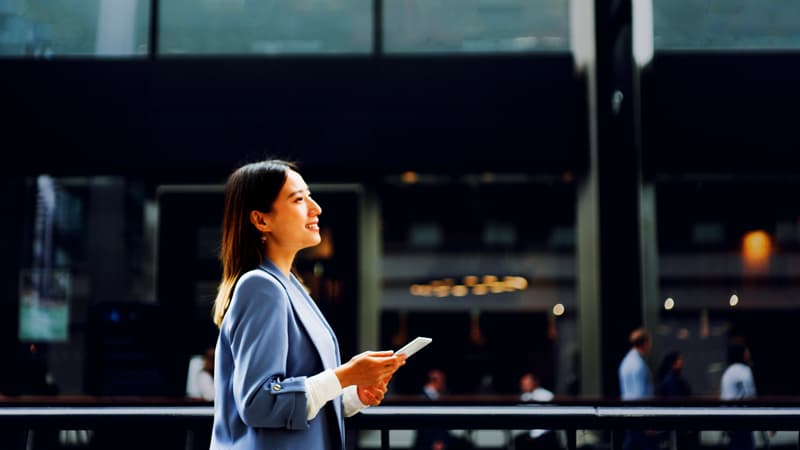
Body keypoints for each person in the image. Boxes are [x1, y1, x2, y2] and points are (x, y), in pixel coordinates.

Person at [209, 159, 406, 450]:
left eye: (309, 196)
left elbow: (296, 399)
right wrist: (345, 375)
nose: (316, 208)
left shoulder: (290, 286)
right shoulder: (261, 287)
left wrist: (352, 395)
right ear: (261, 220)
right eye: (299, 199)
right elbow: (259, 402)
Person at [617, 327, 657, 450]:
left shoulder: (626, 362)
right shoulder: (638, 365)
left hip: (629, 414)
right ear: (644, 343)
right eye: (649, 342)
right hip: (640, 417)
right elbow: (639, 395)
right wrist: (648, 423)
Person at [720, 340, 757, 450]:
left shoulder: (728, 372)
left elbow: (724, 396)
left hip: (729, 418)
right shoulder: (745, 370)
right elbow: (750, 395)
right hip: (742, 418)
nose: (748, 354)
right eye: (746, 351)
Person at [513, 372, 560, 450]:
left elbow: (551, 417)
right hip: (529, 431)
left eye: (526, 384)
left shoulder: (546, 395)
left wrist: (535, 435)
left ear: (534, 383)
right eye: (522, 384)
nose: (523, 386)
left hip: (545, 433)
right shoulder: (524, 396)